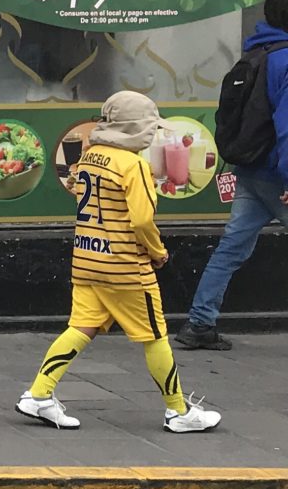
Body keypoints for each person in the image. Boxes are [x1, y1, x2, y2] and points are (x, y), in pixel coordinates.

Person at [17, 90, 220, 433]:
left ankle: (38, 395)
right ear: (137, 129)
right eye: (150, 127)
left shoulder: (91, 155)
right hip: (126, 267)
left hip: (87, 259)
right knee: (155, 336)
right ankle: (178, 411)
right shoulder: (134, 165)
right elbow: (141, 221)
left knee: (80, 327)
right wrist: (158, 253)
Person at [178, 0, 288, 351]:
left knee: (231, 249)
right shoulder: (285, 60)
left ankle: (199, 324)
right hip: (278, 175)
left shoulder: (257, 52)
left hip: (251, 171)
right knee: (232, 248)